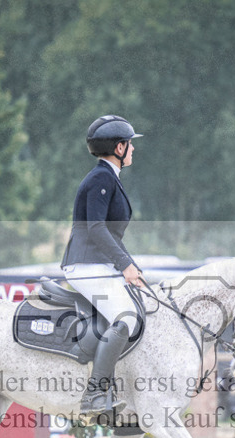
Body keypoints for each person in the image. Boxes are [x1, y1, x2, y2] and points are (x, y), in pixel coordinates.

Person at [61, 114, 146, 418]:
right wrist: (124, 265)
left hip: (98, 264)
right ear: (118, 148)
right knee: (126, 318)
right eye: (130, 144)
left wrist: (132, 267)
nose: (133, 149)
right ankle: (95, 394)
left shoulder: (109, 177)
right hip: (85, 264)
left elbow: (111, 236)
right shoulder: (101, 179)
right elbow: (96, 228)